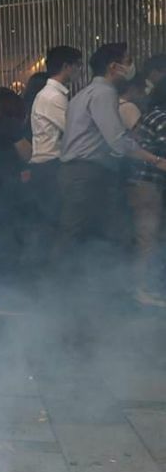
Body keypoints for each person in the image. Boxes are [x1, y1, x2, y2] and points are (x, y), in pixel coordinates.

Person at [56, 44, 166, 269]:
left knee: (81, 234)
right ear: (113, 67)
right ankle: (54, 291)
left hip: (77, 172)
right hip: (88, 174)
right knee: (81, 234)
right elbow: (118, 141)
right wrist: (155, 160)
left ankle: (77, 289)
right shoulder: (104, 93)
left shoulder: (83, 93)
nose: (131, 66)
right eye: (128, 61)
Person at [29, 45, 83, 222]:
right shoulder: (52, 96)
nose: (80, 70)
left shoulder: (50, 94)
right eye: (78, 65)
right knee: (56, 224)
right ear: (67, 66)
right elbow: (73, 131)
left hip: (46, 168)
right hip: (50, 168)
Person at [127, 77, 166, 307]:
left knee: (148, 238)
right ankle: (141, 289)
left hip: (140, 185)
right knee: (147, 239)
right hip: (147, 186)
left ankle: (146, 287)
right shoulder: (162, 119)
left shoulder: (150, 115)